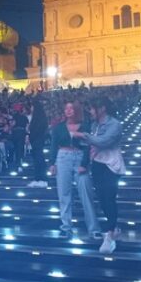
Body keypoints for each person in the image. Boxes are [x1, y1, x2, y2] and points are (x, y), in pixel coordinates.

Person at [71, 96, 124, 253]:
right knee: (102, 199)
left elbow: (103, 141)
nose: (90, 111)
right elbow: (91, 145)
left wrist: (83, 136)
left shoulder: (114, 124)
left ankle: (110, 233)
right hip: (98, 165)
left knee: (108, 197)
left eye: (93, 108)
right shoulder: (94, 125)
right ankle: (113, 230)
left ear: (102, 109)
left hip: (111, 165)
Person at [49, 101, 100, 238]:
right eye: (66, 108)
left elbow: (88, 146)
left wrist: (84, 164)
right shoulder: (58, 127)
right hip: (63, 157)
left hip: (79, 156)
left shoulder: (85, 126)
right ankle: (66, 227)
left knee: (86, 193)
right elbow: (54, 145)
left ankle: (94, 228)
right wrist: (52, 163)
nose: (69, 110)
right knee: (64, 194)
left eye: (71, 108)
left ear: (77, 110)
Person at [27, 100, 49, 188]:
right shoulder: (35, 118)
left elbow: (38, 130)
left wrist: (32, 135)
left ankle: (42, 179)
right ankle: (37, 178)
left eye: (32, 106)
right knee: (36, 160)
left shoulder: (41, 118)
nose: (31, 108)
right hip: (34, 141)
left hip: (38, 141)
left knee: (39, 160)